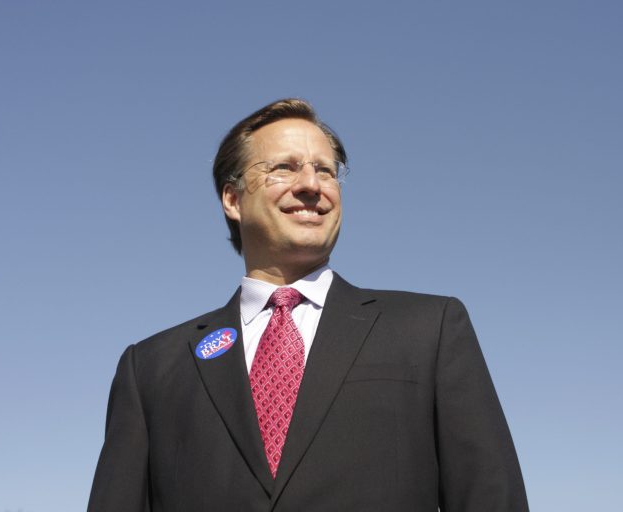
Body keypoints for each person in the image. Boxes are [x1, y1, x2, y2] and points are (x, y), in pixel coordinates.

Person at [88, 99, 529, 511]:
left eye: (325, 170)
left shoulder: (429, 330)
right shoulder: (151, 368)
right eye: (284, 167)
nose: (311, 185)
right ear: (233, 199)